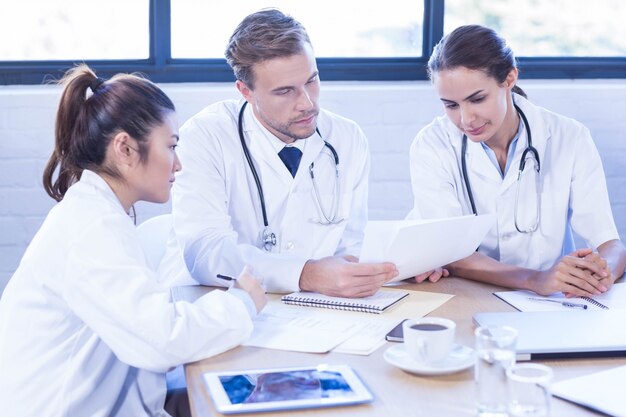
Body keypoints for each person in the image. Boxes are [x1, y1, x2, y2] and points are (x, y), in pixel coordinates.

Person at [0, 64, 267, 417]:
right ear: (124, 149)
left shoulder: (100, 213)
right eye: (171, 147)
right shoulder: (91, 228)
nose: (178, 165)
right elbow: (161, 340)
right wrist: (243, 304)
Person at [159, 8, 398, 298]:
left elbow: (352, 246)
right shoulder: (205, 137)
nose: (307, 103)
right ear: (246, 91)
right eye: (285, 91)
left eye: (311, 80)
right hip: (211, 305)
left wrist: (390, 269)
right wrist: (306, 274)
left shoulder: (347, 139)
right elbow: (206, 252)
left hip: (311, 310)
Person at [408, 24, 626, 297]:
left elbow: (611, 244)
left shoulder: (568, 137)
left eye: (477, 99)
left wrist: (601, 271)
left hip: (552, 302)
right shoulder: (432, 145)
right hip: (470, 294)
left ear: (509, 78)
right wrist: (535, 279)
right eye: (451, 105)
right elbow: (449, 252)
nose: (465, 119)